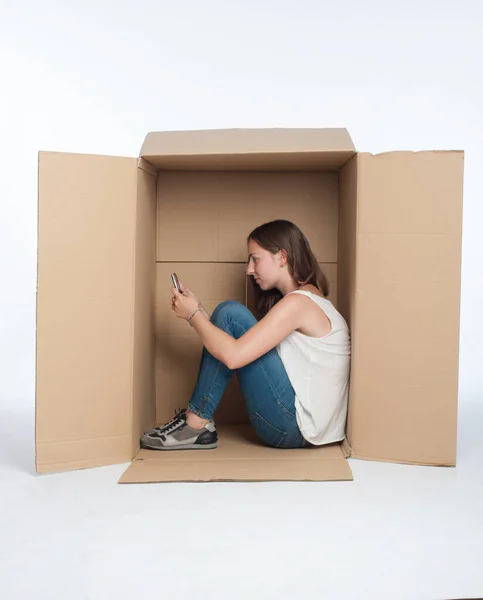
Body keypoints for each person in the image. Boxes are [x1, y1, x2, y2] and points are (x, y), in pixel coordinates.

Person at [141, 219, 351, 451]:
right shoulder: (307, 301)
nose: (249, 270)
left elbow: (233, 356)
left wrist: (193, 316)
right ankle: (195, 422)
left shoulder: (299, 304)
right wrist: (198, 310)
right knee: (228, 317)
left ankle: (195, 424)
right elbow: (235, 348)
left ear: (282, 257)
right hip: (306, 429)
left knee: (231, 313)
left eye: (255, 259)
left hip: (293, 427)